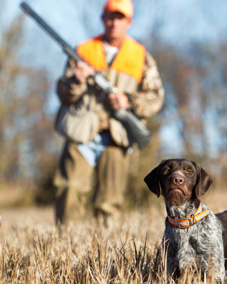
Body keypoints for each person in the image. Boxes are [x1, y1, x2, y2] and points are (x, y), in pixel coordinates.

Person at [54, 0, 164, 225]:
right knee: (69, 189)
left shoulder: (141, 56)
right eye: (110, 17)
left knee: (109, 202)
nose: (114, 22)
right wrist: (77, 79)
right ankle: (66, 241)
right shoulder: (83, 50)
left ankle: (104, 251)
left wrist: (129, 101)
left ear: (129, 22)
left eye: (120, 17)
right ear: (102, 19)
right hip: (82, 129)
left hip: (117, 133)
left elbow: (156, 98)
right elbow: (63, 94)